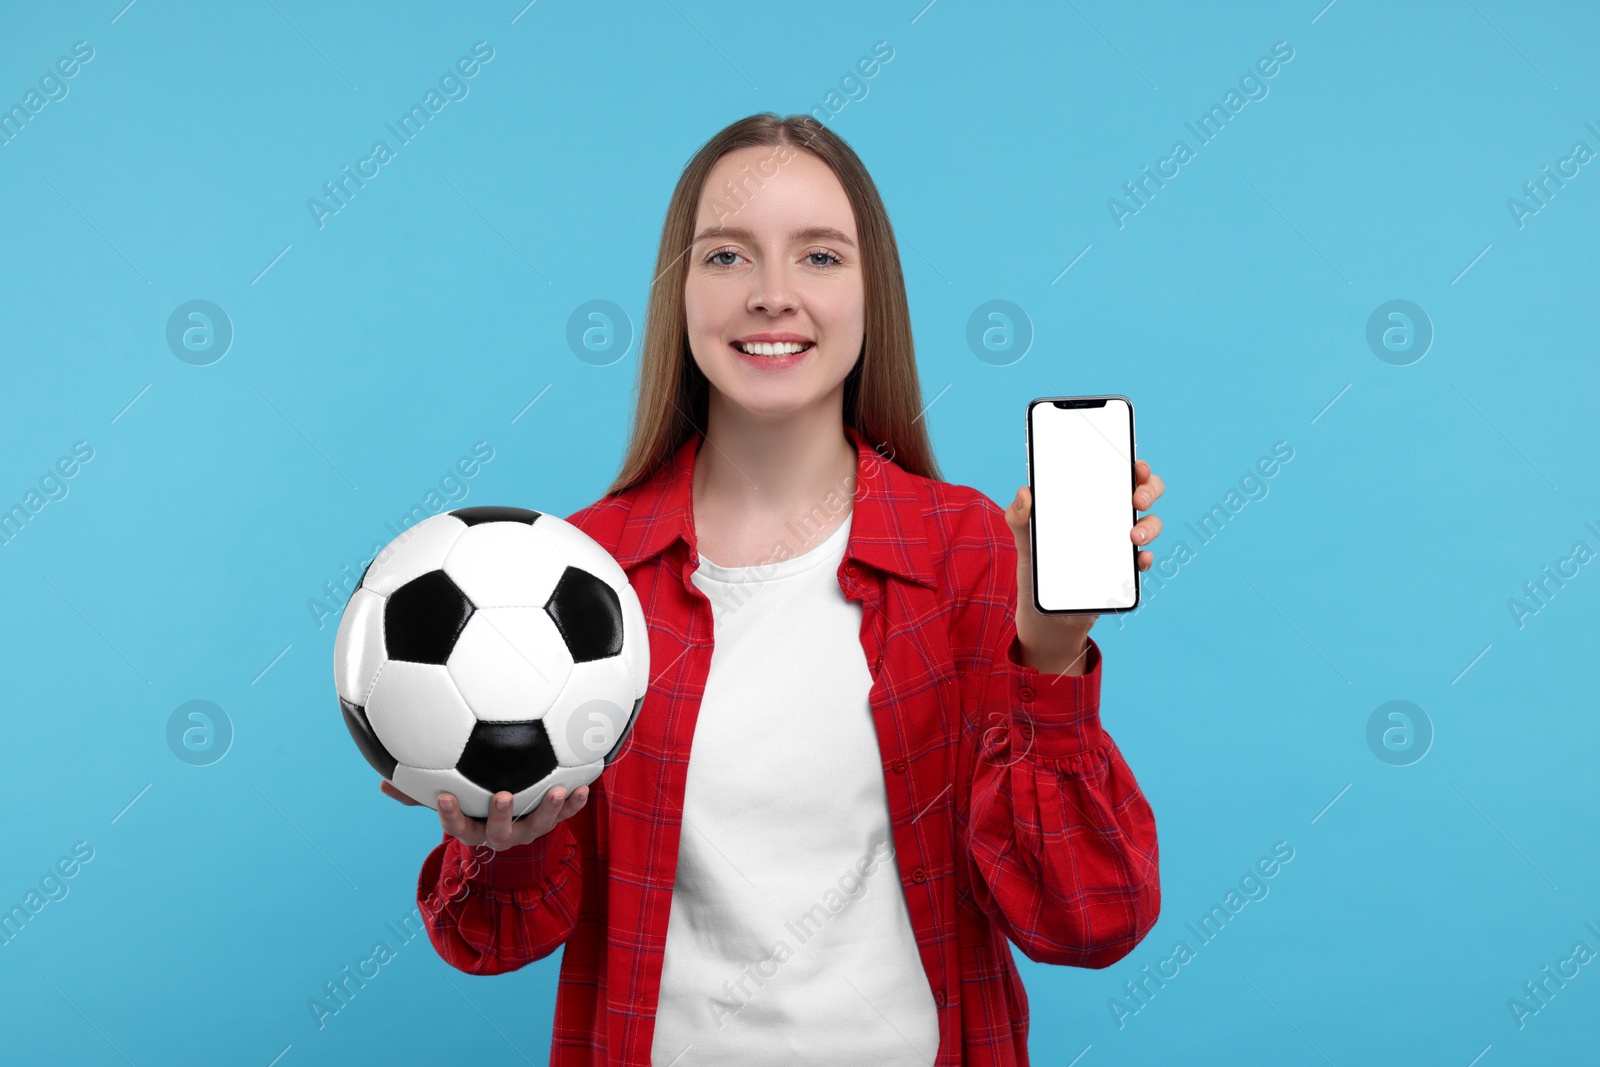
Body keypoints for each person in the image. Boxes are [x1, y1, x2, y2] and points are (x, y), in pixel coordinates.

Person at [383, 112, 1166, 1066]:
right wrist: (502, 841)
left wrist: (1046, 651)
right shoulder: (581, 574)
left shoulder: (968, 550)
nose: (772, 294)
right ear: (680, 294)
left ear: (873, 294)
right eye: (726, 257)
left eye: (821, 257)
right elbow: (493, 940)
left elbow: (1084, 920)